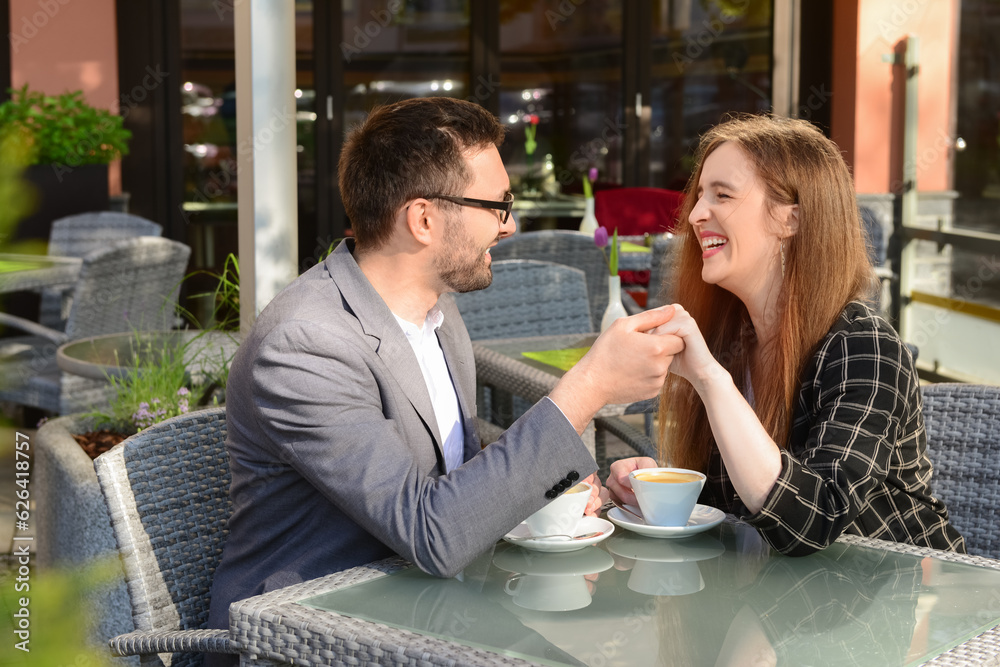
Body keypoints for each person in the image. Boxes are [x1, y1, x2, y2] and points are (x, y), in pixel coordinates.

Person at [205, 97, 683, 654]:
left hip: (432, 607)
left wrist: (564, 480)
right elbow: (433, 532)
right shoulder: (306, 344)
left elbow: (447, 460)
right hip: (311, 633)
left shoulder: (436, 309)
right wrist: (588, 388)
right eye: (498, 206)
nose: (510, 227)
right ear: (424, 219)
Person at [608, 114, 965, 556]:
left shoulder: (864, 348)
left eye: (722, 195)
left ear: (791, 219)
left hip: (897, 599)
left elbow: (812, 520)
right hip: (787, 606)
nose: (697, 215)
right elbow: (731, 509)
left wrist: (709, 378)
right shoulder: (733, 341)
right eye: (700, 195)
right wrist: (654, 493)